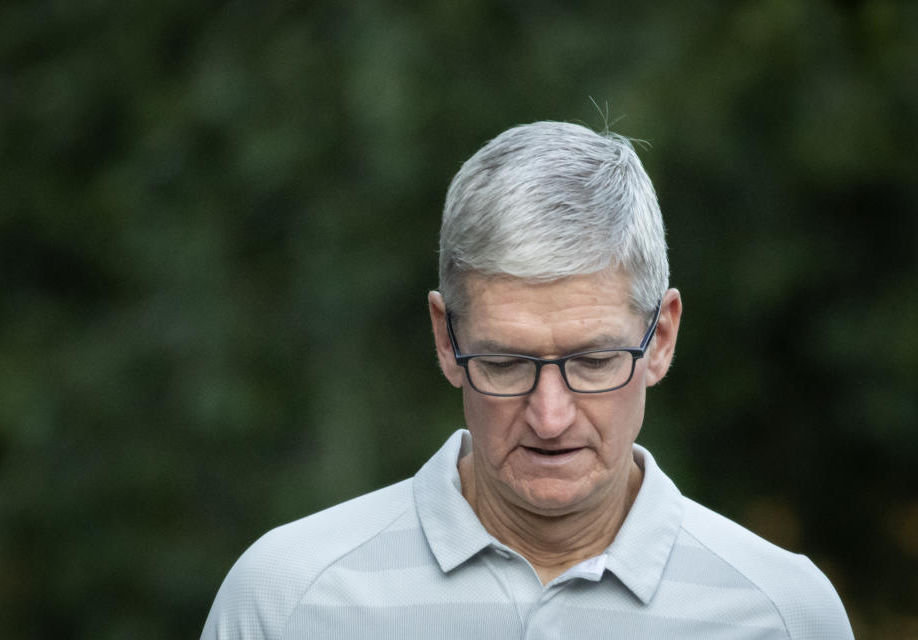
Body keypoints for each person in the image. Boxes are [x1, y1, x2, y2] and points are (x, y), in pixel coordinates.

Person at [200, 121, 854, 639]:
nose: (549, 416)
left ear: (660, 339)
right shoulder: (287, 602)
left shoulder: (783, 617)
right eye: (507, 362)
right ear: (445, 339)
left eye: (594, 361)